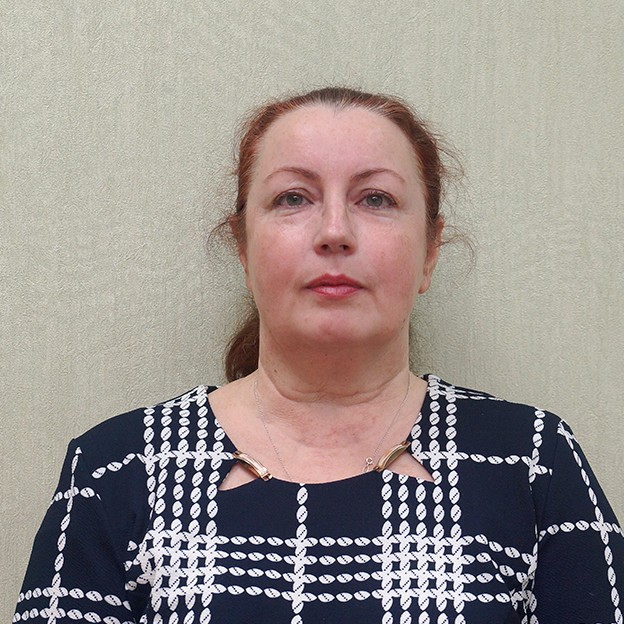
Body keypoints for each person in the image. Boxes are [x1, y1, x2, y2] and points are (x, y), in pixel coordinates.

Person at [14, 87, 623, 624]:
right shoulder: (116, 469)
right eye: (293, 198)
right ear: (243, 247)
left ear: (431, 250)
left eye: (376, 198)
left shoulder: (533, 460)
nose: (334, 231)